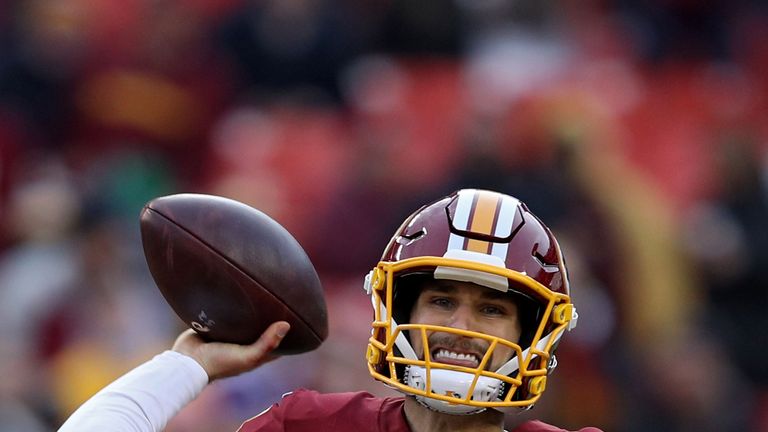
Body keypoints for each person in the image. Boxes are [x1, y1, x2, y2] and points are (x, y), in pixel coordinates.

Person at [59, 188, 601, 432]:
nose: (460, 327)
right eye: (441, 300)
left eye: (491, 310)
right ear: (396, 311)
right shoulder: (309, 427)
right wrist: (188, 365)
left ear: (534, 333)